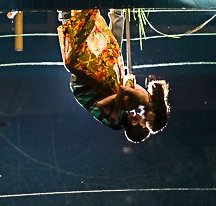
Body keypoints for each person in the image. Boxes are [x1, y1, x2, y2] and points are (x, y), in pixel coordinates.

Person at [58, 8, 169, 141]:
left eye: (144, 123)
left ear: (134, 123)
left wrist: (116, 110)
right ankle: (115, 13)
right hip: (98, 84)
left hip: (84, 88)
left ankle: (67, 13)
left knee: (81, 52)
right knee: (112, 52)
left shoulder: (118, 120)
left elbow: (107, 100)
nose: (143, 118)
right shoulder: (140, 103)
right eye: (148, 122)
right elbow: (125, 86)